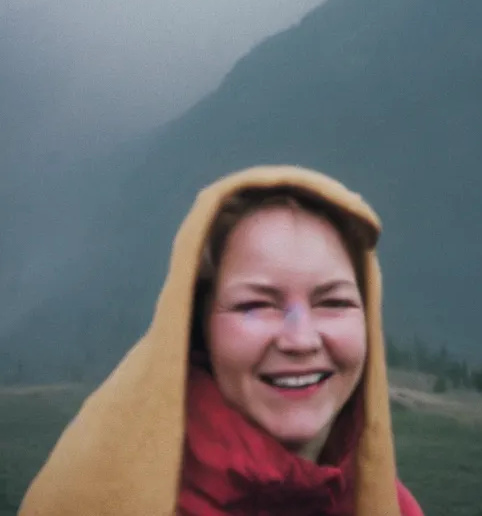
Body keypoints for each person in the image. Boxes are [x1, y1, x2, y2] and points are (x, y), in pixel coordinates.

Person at [19, 165, 424, 515]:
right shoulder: (92, 498)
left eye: (334, 302)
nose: (300, 339)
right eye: (258, 303)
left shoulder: (393, 507)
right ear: (198, 325)